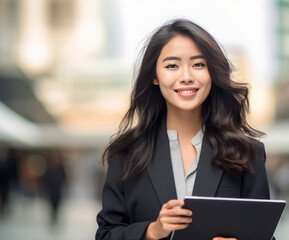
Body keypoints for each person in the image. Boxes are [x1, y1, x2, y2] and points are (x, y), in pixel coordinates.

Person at [96, 19, 271, 240]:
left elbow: (263, 233)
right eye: (172, 66)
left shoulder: (247, 152)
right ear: (154, 76)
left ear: (212, 73)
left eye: (198, 64)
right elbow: (106, 234)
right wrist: (152, 231)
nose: (186, 76)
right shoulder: (126, 153)